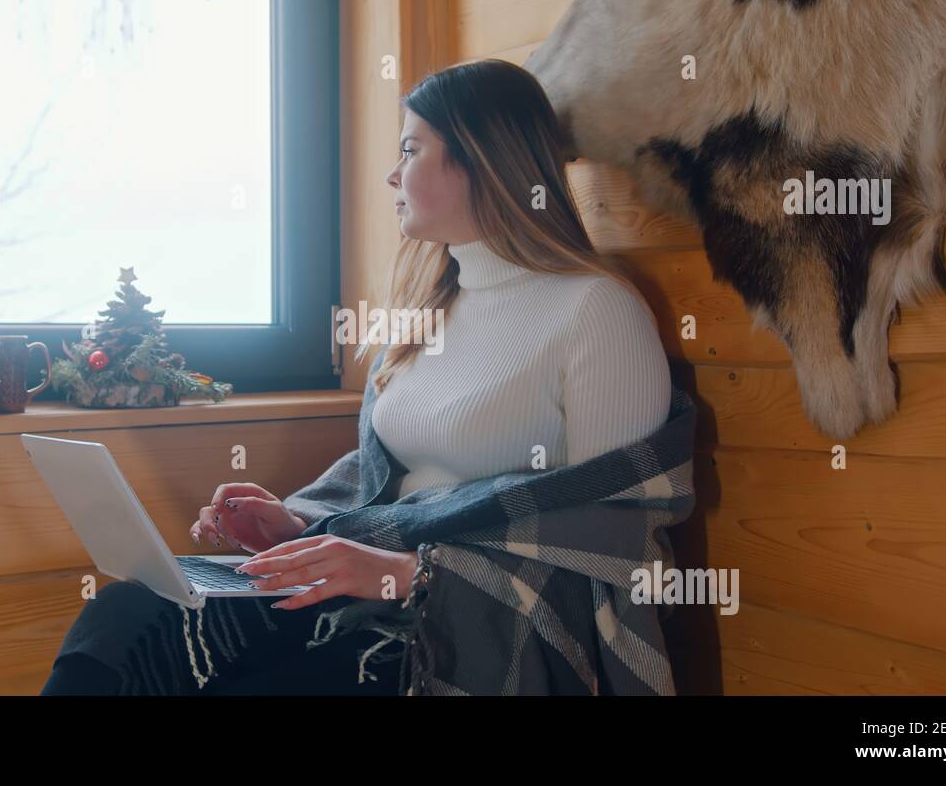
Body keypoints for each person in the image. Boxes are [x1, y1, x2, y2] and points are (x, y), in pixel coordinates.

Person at [40, 58, 672, 696]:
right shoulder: (431, 310)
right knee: (124, 613)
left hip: (477, 629)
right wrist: (299, 530)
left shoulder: (595, 311)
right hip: (374, 602)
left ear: (481, 159)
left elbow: (616, 542)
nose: (392, 174)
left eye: (410, 149)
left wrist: (411, 573)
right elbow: (387, 492)